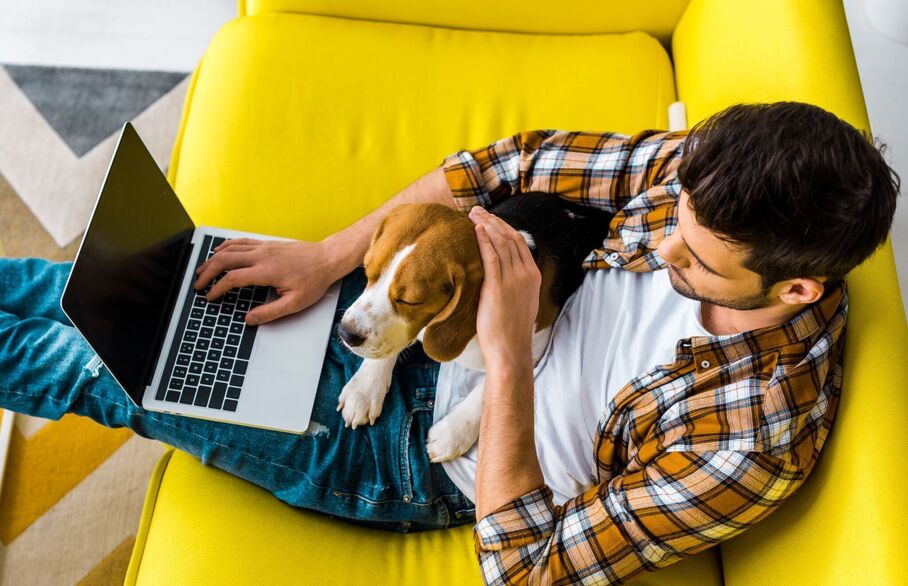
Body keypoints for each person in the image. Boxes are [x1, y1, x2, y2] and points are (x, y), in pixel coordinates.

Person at [0, 101, 899, 584]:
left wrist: (504, 358)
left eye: (695, 259)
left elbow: (529, 567)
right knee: (124, 288)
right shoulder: (710, 183)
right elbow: (497, 167)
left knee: (101, 361)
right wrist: (329, 259)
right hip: (410, 314)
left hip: (409, 455)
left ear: (796, 291)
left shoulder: (750, 437)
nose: (663, 245)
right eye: (675, 219)